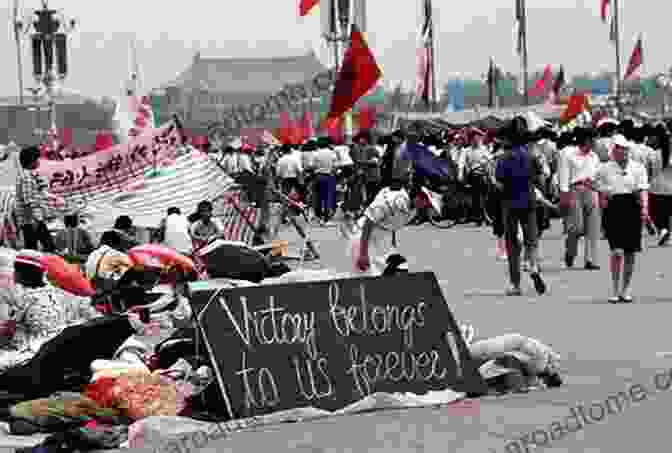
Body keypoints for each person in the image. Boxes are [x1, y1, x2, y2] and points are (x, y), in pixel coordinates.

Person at [0, 250, 100, 372]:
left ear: (21, 274)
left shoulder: (23, 298)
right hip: (59, 348)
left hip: (35, 353)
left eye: (15, 270)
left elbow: (7, 331)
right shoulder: (56, 292)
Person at [351, 136, 435, 276]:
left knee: (400, 267)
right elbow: (368, 223)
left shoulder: (413, 210)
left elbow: (394, 225)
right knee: (369, 278)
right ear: (418, 197)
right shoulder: (394, 199)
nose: (427, 207)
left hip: (382, 238)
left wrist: (392, 246)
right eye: (426, 203)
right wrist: (363, 254)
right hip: (362, 237)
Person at [595, 134, 649, 303]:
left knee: (630, 252)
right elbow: (598, 186)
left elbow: (642, 190)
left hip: (632, 206)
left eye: (625, 149)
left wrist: (645, 208)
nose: (622, 152)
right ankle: (615, 288)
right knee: (616, 251)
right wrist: (602, 197)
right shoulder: (604, 168)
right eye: (619, 149)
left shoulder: (638, 168)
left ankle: (625, 289)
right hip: (614, 208)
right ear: (613, 151)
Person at [495, 117, 546, 296]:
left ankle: (516, 285)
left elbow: (499, 182)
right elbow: (540, 178)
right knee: (531, 240)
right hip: (529, 201)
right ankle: (533, 266)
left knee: (512, 244)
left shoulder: (503, 158)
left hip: (510, 203)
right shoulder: (531, 156)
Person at [557, 127, 601, 270]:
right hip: (574, 191)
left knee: (593, 228)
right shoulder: (568, 154)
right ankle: (570, 252)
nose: (596, 142)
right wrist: (564, 196)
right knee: (576, 227)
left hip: (592, 191)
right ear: (587, 140)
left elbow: (598, 176)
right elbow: (563, 176)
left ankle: (590, 260)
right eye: (594, 139)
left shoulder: (594, 157)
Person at [14, 146, 56, 252]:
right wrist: (36, 219)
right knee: (46, 245)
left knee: (32, 246)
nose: (39, 161)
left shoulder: (28, 175)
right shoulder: (27, 177)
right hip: (31, 219)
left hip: (30, 219)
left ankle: (31, 265)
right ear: (31, 161)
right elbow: (29, 200)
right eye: (37, 158)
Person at [649, 124, 672, 245]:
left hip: (656, 188)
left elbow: (649, 171)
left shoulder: (654, 154)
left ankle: (663, 231)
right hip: (670, 188)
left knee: (657, 213)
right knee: (668, 214)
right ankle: (667, 234)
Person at [313, 138, 340, 225]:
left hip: (318, 176)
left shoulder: (316, 153)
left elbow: (312, 166)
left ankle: (319, 218)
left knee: (319, 197)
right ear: (328, 144)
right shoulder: (332, 153)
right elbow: (335, 166)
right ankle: (327, 219)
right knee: (328, 198)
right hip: (329, 176)